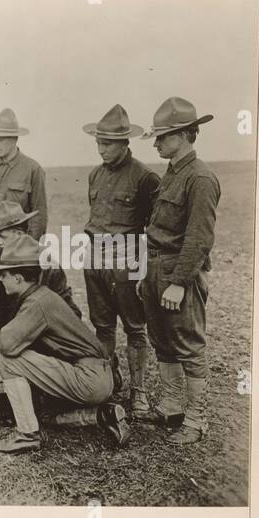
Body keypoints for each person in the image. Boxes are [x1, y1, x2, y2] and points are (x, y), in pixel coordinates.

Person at [0, 236, 131, 454]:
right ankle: (103, 415)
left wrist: (9, 369)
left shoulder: (37, 303)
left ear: (17, 278)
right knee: (45, 414)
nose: (0, 280)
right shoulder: (43, 296)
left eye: (3, 275)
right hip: (97, 376)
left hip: (88, 378)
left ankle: (26, 435)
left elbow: (6, 345)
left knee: (7, 360)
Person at [136, 97, 221, 444]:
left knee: (188, 344)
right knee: (163, 341)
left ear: (186, 135)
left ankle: (197, 420)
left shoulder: (200, 178)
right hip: (156, 267)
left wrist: (179, 283)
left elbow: (199, 239)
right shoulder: (173, 174)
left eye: (163, 137)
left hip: (178, 272)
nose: (156, 143)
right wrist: (149, 274)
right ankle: (172, 407)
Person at [81, 103, 161, 419]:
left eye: (108, 144)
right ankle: (108, 385)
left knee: (135, 328)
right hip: (95, 259)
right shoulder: (94, 175)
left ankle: (139, 394)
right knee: (102, 327)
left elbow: (154, 228)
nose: (101, 149)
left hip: (127, 260)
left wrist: (144, 267)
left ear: (125, 142)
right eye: (98, 143)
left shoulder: (145, 177)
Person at [0, 108, 47, 272]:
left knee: (18, 289)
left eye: (0, 139)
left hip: (17, 243)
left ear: (14, 139)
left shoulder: (32, 169)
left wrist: (30, 250)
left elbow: (38, 216)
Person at [0, 200, 83, 321]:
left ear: (19, 234)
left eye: (3, 237)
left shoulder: (48, 265)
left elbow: (71, 314)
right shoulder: (0, 260)